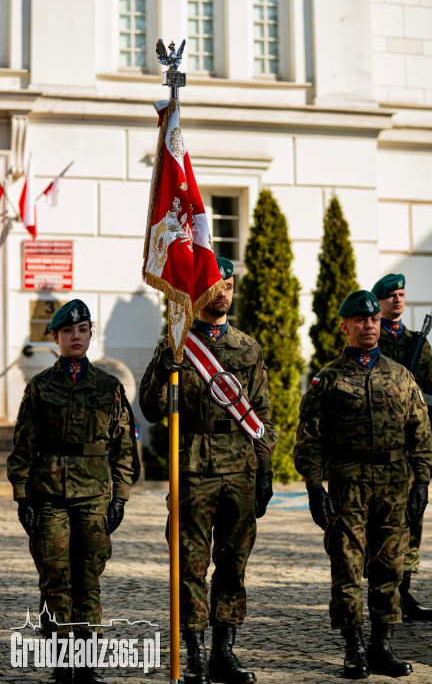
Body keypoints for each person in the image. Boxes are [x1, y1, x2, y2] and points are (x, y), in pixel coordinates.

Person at [139, 257, 277, 684]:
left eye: (230, 286)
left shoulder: (248, 348)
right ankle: (195, 655)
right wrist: (162, 377)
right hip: (192, 468)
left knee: (233, 564)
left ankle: (224, 652)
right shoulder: (175, 343)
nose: (224, 293)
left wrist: (266, 469)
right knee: (189, 565)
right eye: (217, 285)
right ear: (200, 291)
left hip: (240, 467)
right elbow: (150, 408)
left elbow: (263, 415)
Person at [294, 290, 432, 680]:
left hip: (393, 484)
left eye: (373, 320)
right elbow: (309, 439)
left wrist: (422, 481)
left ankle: (381, 647)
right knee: (348, 568)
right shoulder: (328, 379)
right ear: (346, 326)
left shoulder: (400, 375)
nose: (369, 326)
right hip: (347, 485)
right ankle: (354, 649)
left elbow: (420, 433)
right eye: (361, 321)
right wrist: (313, 487)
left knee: (390, 567)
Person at [7, 299, 141, 684]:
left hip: (95, 498)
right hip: (49, 497)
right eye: (68, 331)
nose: (76, 337)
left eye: (82, 330)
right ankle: (61, 663)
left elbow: (123, 447)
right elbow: (23, 447)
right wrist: (21, 496)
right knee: (54, 579)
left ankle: (85, 663)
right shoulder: (40, 387)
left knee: (88, 579)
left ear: (90, 335)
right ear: (56, 338)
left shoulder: (109, 386)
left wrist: (120, 496)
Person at [371, 273, 432, 620]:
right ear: (379, 301)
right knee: (376, 526)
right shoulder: (369, 341)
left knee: (413, 521)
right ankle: (381, 595)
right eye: (391, 295)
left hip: (410, 452)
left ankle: (404, 594)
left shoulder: (418, 345)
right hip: (376, 450)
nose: (397, 300)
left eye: (402, 294)